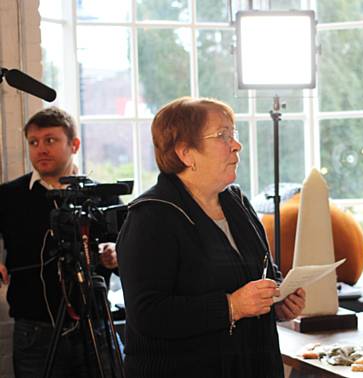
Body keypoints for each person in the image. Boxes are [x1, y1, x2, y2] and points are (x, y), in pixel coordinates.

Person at [117, 97, 306, 377]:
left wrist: (278, 300)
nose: (236, 145)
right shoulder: (151, 216)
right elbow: (148, 313)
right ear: (186, 153)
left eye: (233, 133)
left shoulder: (237, 203)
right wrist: (231, 306)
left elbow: (264, 272)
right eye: (222, 135)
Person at [0, 107, 119, 377]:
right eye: (33, 142)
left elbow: (129, 254)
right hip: (34, 329)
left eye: (50, 140)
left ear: (73, 144)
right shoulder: (9, 196)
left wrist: (116, 254)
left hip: (94, 325)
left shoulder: (102, 195)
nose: (40, 149)